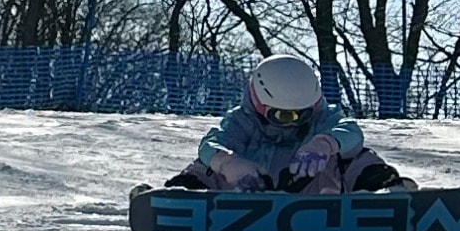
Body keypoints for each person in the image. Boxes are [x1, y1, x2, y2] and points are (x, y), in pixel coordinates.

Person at [166, 55, 409, 194]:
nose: (293, 123)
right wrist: (229, 162)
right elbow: (211, 144)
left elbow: (351, 132)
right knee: (207, 164)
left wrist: (326, 143)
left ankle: (382, 190)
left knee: (356, 156)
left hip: (316, 191)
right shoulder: (242, 121)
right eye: (284, 116)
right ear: (259, 105)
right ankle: (184, 194)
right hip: (249, 190)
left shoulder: (323, 117)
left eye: (302, 114)